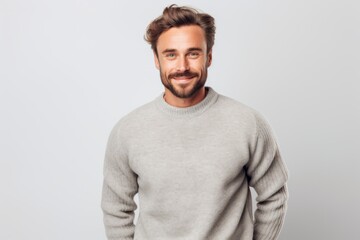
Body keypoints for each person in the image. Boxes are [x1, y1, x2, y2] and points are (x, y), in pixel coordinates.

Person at [101, 4, 289, 240]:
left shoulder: (248, 123)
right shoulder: (127, 132)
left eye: (193, 53)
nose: (182, 66)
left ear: (208, 56)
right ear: (157, 60)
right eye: (171, 54)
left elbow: (274, 195)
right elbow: (115, 208)